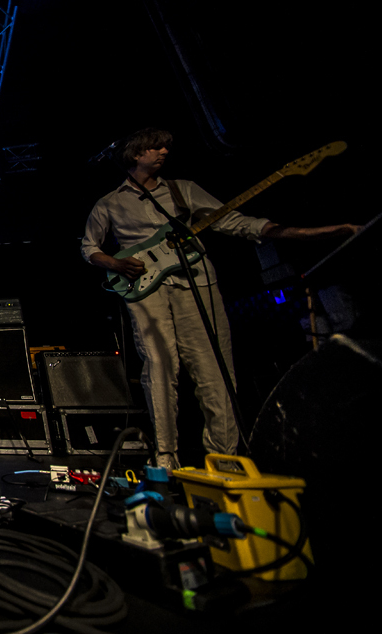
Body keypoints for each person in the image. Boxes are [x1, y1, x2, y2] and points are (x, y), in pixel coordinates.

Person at [81, 129, 359, 468]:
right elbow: (89, 247)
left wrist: (308, 233)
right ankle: (166, 457)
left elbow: (234, 222)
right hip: (143, 288)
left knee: (215, 369)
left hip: (198, 282)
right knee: (160, 367)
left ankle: (224, 458)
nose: (164, 151)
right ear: (135, 155)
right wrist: (115, 262)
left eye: (167, 145)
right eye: (155, 146)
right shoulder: (109, 203)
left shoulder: (182, 190)